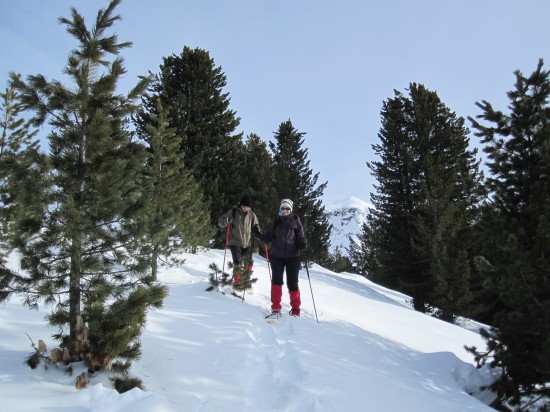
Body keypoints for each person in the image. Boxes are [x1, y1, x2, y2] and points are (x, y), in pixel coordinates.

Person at [253, 199, 307, 317]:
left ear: (291, 210)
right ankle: (276, 308)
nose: (285, 211)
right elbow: (268, 238)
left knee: (292, 283)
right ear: (280, 209)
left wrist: (302, 244)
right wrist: (258, 234)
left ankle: (295, 310)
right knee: (276, 281)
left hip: (293, 256)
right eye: (283, 208)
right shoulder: (276, 221)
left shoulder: (296, 220)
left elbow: (301, 237)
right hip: (277, 256)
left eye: (287, 208)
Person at [218, 194, 260, 288]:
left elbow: (257, 227)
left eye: (247, 207)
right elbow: (221, 222)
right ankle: (237, 282)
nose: (245, 208)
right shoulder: (233, 211)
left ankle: (246, 279)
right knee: (238, 261)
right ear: (240, 205)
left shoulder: (252, 215)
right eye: (243, 206)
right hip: (235, 241)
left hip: (247, 243)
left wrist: (258, 232)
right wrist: (228, 220)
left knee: (249, 261)